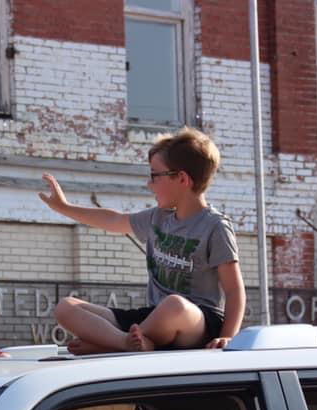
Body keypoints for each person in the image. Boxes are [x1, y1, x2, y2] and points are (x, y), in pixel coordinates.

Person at [39, 127, 245, 354]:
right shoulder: (158, 217)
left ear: (182, 179)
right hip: (151, 319)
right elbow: (114, 220)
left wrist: (228, 336)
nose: (149, 184)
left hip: (197, 322)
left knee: (174, 304)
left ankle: (110, 344)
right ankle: (123, 343)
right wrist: (65, 208)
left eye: (155, 175)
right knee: (65, 307)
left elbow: (234, 290)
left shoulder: (215, 226)